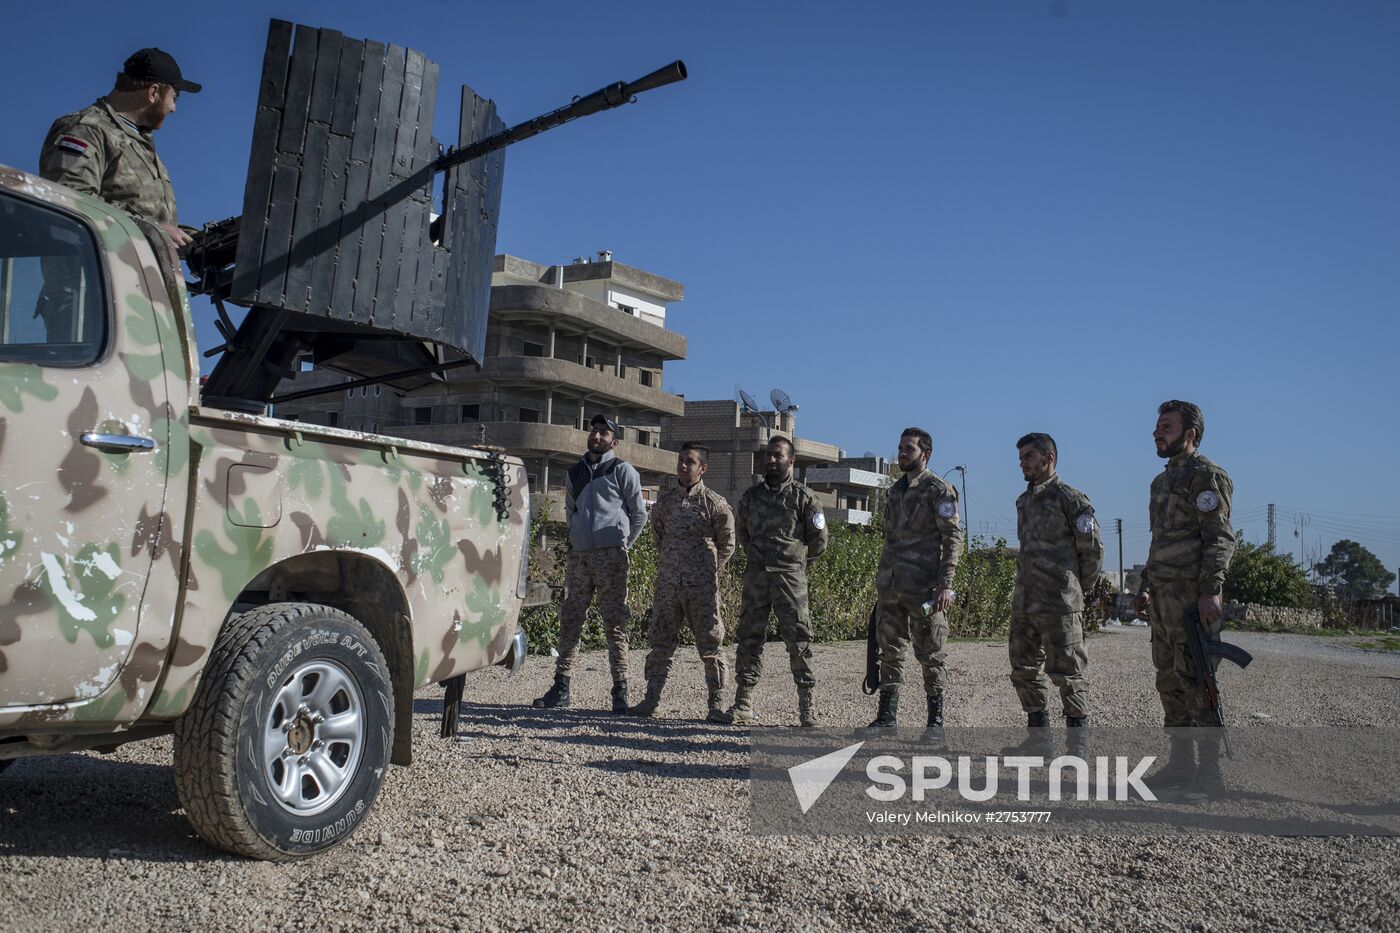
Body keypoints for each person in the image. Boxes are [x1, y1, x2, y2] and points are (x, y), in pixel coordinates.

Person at [1131, 400, 1236, 795]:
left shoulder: (1206, 476)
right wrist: (1146, 585)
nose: (1157, 433)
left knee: (1198, 681)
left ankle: (1209, 775)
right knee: (1169, 682)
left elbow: (1219, 537)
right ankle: (1180, 764)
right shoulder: (1160, 483)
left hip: (1193, 601)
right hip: (1163, 601)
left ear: (1190, 434)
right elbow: (1160, 541)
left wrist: (1211, 589)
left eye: (1167, 427)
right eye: (1158, 427)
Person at [534, 415, 648, 712]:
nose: (597, 436)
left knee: (615, 622)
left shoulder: (622, 470)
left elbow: (639, 514)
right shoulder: (575, 473)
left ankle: (620, 690)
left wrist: (623, 544)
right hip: (580, 557)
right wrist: (577, 539)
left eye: (604, 432)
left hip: (612, 557)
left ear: (614, 441)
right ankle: (561, 686)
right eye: (594, 431)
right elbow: (570, 511)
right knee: (571, 619)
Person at [714, 436, 828, 727]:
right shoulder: (751, 497)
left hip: (790, 580)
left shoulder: (804, 498)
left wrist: (796, 563)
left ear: (791, 461)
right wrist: (757, 557)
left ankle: (807, 708)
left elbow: (819, 541)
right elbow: (742, 533)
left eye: (778, 455)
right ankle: (743, 703)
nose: (771, 460)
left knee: (799, 640)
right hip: (757, 577)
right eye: (768, 455)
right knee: (749, 638)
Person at [40, 48, 200, 250]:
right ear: (153, 93)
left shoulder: (138, 142)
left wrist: (198, 241)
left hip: (139, 269)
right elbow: (69, 202)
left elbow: (151, 220)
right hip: (93, 269)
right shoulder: (86, 129)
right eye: (174, 98)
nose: (173, 109)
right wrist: (153, 230)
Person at [1004, 432, 1102, 753]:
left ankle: (1077, 748)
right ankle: (1039, 741)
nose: (1022, 464)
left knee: (1068, 673)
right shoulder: (1023, 502)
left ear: (1049, 458)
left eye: (1028, 457)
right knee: (1024, 670)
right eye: (1020, 458)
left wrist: (1077, 590)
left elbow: (1092, 551)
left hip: (1060, 603)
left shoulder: (1070, 499)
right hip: (1025, 602)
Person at [628, 443, 736, 720]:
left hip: (702, 588)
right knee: (660, 640)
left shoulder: (714, 503)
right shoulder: (665, 502)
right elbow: (659, 537)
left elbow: (727, 544)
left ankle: (716, 704)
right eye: (680, 460)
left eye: (690, 461)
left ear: (703, 468)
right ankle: (651, 700)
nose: (683, 465)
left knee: (711, 643)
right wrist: (673, 565)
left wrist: (706, 569)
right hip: (668, 585)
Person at [867, 428, 962, 730]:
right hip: (892, 586)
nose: (902, 453)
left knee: (931, 654)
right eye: (900, 447)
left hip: (924, 588)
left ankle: (935, 723)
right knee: (890, 652)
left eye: (909, 448)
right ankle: (887, 718)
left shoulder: (939, 490)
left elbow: (952, 538)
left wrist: (945, 583)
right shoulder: (895, 489)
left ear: (926, 454)